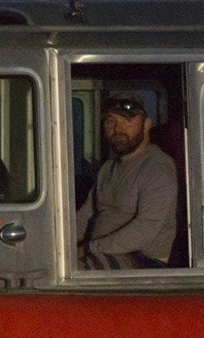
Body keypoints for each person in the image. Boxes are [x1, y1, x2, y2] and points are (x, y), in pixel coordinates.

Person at [76, 94, 178, 269]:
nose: (117, 129)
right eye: (110, 121)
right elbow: (86, 216)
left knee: (78, 272)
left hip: (142, 260)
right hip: (101, 253)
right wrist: (61, 245)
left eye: (126, 120)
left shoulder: (158, 166)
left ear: (146, 125)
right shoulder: (108, 169)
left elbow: (146, 227)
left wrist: (89, 249)